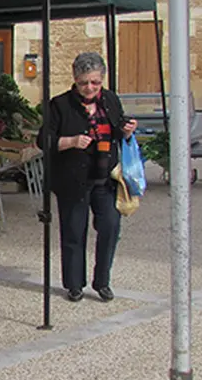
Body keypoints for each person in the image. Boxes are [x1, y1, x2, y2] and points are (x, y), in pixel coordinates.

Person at [40, 52, 137, 302]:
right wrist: (70, 141)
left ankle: (102, 281)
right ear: (75, 80)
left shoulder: (111, 100)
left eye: (94, 82)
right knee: (73, 232)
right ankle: (74, 284)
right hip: (72, 179)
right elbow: (44, 140)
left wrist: (126, 132)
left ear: (102, 79)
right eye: (84, 83)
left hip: (105, 178)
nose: (89, 88)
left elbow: (116, 131)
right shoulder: (59, 105)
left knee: (110, 227)